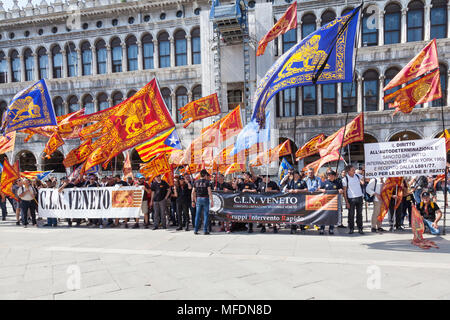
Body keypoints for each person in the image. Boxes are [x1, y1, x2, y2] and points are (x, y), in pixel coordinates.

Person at [318, 170, 343, 235]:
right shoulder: (324, 182)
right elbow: (318, 189)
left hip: (334, 203)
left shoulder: (338, 182)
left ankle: (331, 229)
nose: (330, 176)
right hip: (325, 202)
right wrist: (321, 190)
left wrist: (340, 190)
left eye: (332, 175)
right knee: (324, 216)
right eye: (329, 175)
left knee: (332, 216)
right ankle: (322, 228)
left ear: (334, 176)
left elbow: (341, 189)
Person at [342, 165, 365, 234]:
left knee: (359, 214)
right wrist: (346, 202)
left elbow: (365, 180)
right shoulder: (345, 179)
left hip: (359, 197)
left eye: (354, 169)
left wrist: (363, 174)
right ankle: (351, 228)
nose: (354, 171)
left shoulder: (357, 176)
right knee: (351, 214)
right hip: (351, 199)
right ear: (348, 171)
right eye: (352, 170)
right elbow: (344, 192)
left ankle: (360, 228)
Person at [192, 169, 213, 235]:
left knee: (197, 215)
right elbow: (209, 192)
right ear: (205, 175)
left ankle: (195, 230)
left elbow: (193, 192)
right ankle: (205, 230)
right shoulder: (207, 182)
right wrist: (212, 200)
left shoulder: (196, 182)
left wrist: (193, 200)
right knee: (206, 215)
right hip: (205, 198)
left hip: (198, 199)